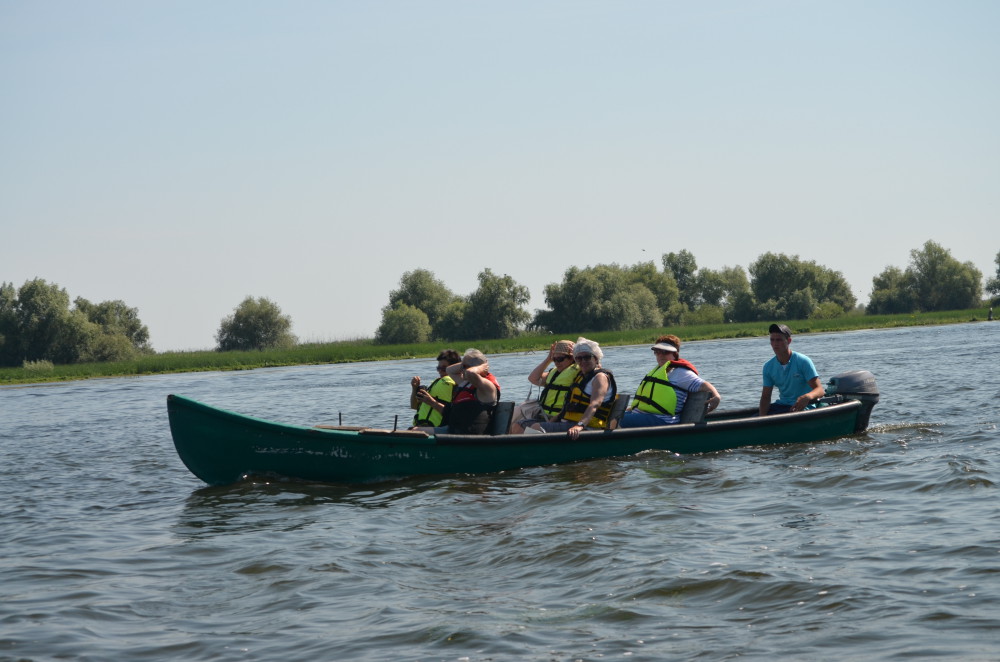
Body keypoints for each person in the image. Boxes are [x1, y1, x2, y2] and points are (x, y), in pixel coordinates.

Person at [619, 334, 721, 428]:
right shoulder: (659, 371)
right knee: (608, 416)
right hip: (644, 415)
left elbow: (703, 384)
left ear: (675, 354)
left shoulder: (680, 373)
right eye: (657, 352)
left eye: (665, 352)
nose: (660, 355)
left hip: (662, 420)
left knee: (615, 420)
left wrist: (716, 396)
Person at [527, 337, 616, 440]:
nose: (583, 361)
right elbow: (567, 407)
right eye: (579, 358)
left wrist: (580, 425)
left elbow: (595, 404)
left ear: (595, 358)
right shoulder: (581, 377)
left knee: (535, 427)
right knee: (521, 425)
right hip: (569, 421)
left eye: (587, 357)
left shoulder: (600, 377)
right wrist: (552, 421)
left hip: (589, 427)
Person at [413, 348, 500, 435]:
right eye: (462, 366)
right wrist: (465, 364)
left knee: (415, 434)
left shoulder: (487, 387)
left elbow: (471, 373)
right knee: (414, 431)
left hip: (470, 435)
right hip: (454, 430)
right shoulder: (466, 383)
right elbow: (449, 370)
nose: (461, 370)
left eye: (464, 367)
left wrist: (482, 366)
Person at [510, 339, 579, 434]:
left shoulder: (579, 371)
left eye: (560, 359)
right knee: (517, 426)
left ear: (572, 358)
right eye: (555, 359)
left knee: (533, 428)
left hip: (562, 418)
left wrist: (578, 357)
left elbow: (593, 369)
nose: (557, 362)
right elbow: (533, 378)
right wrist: (548, 359)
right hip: (545, 415)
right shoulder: (554, 373)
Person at [759, 323, 825, 415]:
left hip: (805, 408)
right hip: (782, 406)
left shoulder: (803, 361)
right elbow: (766, 397)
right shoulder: (768, 367)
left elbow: (820, 390)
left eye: (779, 340)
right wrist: (761, 419)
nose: (775, 344)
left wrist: (807, 397)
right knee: (751, 420)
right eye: (772, 340)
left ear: (789, 341)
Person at [409, 349, 462, 427]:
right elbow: (414, 406)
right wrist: (414, 388)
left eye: (443, 368)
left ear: (454, 368)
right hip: (420, 427)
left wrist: (431, 402)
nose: (440, 371)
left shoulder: (457, 385)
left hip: (439, 430)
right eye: (438, 368)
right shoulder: (435, 384)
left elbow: (454, 414)